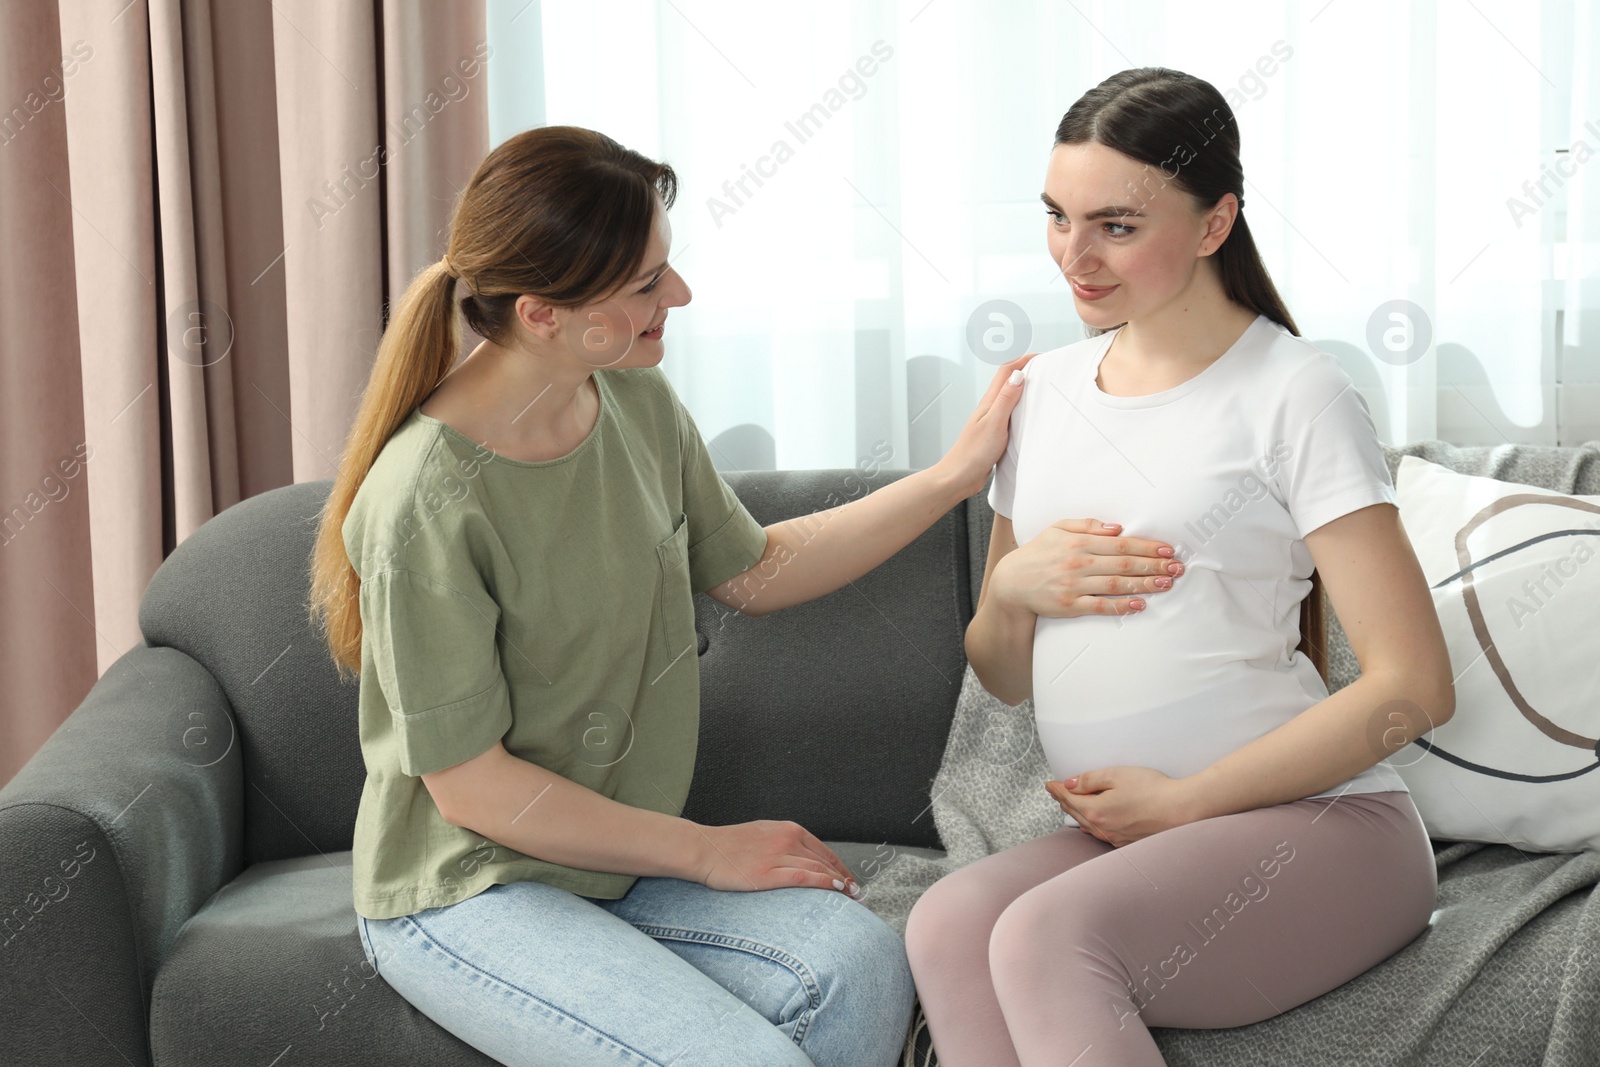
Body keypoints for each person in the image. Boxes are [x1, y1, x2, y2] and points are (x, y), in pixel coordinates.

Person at [306, 124, 1033, 1067]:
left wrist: (950, 478)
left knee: (862, 963)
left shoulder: (632, 401)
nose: (678, 296)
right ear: (540, 314)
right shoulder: (423, 502)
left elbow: (757, 569)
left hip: (608, 867)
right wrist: (706, 850)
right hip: (470, 885)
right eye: (647, 283)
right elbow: (473, 787)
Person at [902, 68, 1452, 1067]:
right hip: (1145, 836)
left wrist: (1185, 801)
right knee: (944, 923)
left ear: (1213, 223)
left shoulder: (1294, 393)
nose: (1074, 254)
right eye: (1057, 217)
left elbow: (1413, 687)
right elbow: (1003, 671)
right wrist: (1013, 594)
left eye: (1115, 224)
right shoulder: (1042, 393)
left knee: (1040, 934)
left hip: (1324, 832)